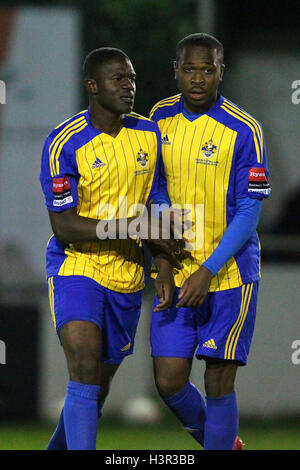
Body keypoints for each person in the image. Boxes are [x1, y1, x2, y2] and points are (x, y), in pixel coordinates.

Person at [40, 47, 178, 450]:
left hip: (129, 276)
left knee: (96, 389)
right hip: (77, 268)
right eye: (118, 78)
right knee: (83, 366)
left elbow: (157, 204)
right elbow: (64, 226)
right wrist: (132, 225)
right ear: (92, 86)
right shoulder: (63, 142)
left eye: (132, 78)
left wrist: (164, 264)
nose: (128, 87)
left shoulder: (148, 134)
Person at [149, 33, 271, 450]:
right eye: (189, 69)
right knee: (168, 380)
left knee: (218, 378)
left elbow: (250, 211)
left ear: (222, 71)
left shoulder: (245, 129)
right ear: (176, 72)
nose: (198, 77)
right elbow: (156, 188)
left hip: (228, 274)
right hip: (178, 270)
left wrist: (208, 269)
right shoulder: (158, 117)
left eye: (207, 69)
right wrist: (165, 262)